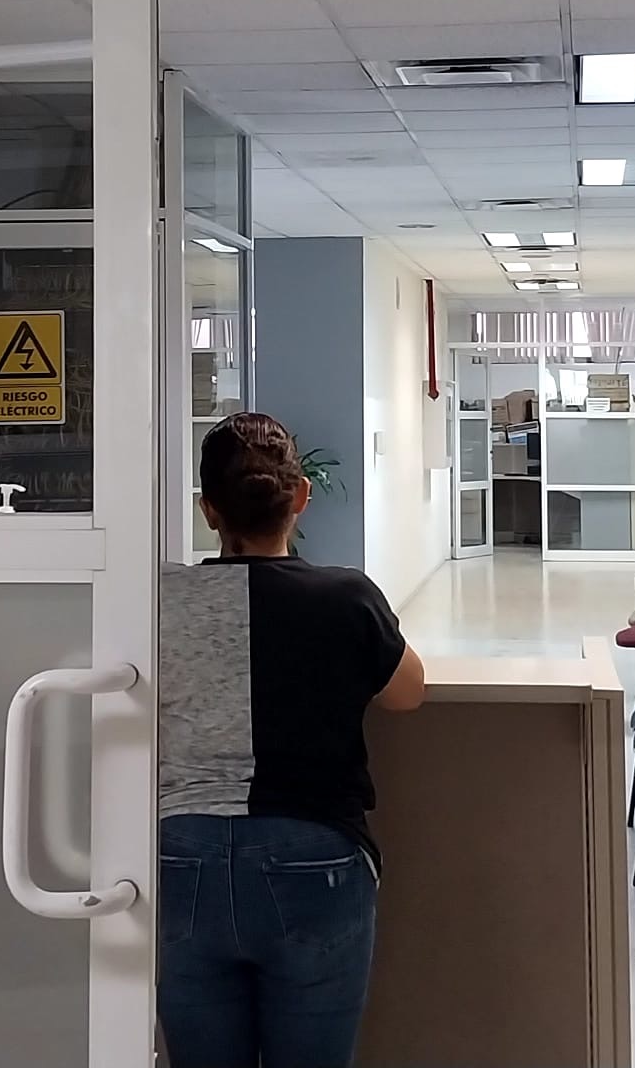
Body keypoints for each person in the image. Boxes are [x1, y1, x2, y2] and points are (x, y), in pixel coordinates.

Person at [158, 411, 426, 1068]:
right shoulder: (346, 597)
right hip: (313, 857)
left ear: (208, 510)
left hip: (178, 857)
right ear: (301, 497)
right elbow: (406, 692)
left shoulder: (162, 598)